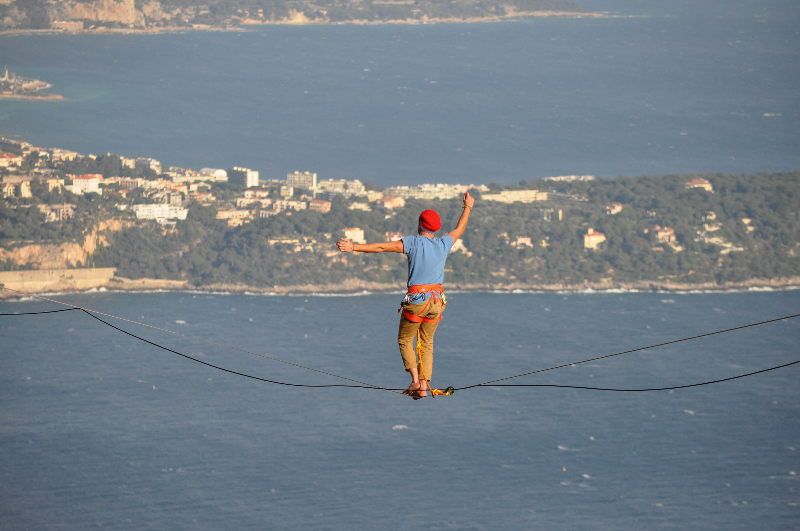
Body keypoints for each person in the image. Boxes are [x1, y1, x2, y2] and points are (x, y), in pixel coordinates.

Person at [336, 192, 475, 398]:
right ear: (436, 228)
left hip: (418, 300)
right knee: (427, 343)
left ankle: (415, 381)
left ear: (420, 225)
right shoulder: (444, 243)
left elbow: (382, 247)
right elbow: (460, 228)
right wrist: (468, 206)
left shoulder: (413, 243)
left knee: (405, 339)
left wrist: (353, 247)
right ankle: (424, 386)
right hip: (437, 301)